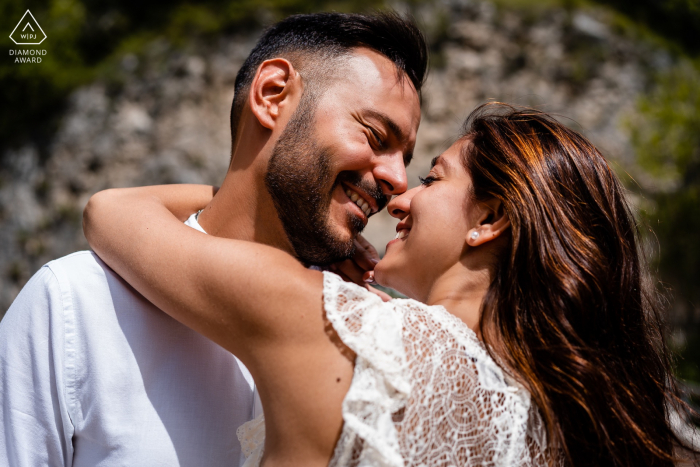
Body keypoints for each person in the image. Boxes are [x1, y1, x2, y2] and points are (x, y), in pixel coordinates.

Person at [83, 103, 697, 466]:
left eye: (433, 179)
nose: (400, 196)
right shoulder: (571, 425)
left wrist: (269, 216)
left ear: (488, 220)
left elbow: (111, 213)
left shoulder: (338, 326)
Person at [0, 12, 427, 466]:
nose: (398, 180)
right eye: (376, 135)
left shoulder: (375, 335)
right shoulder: (74, 304)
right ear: (273, 95)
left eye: (407, 159)